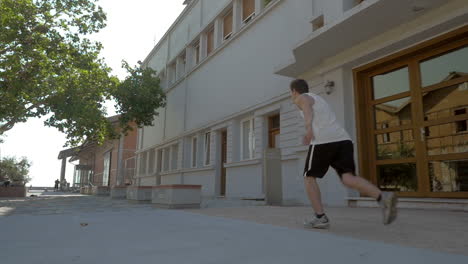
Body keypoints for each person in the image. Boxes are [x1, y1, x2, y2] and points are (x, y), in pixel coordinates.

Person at [290, 79, 397, 229]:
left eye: (292, 93)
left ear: (294, 91)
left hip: (323, 142)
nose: (292, 96)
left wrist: (308, 128)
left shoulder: (302, 97)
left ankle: (320, 217)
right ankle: (383, 197)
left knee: (309, 177)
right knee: (348, 178)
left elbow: (306, 106)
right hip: (343, 140)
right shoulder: (319, 98)